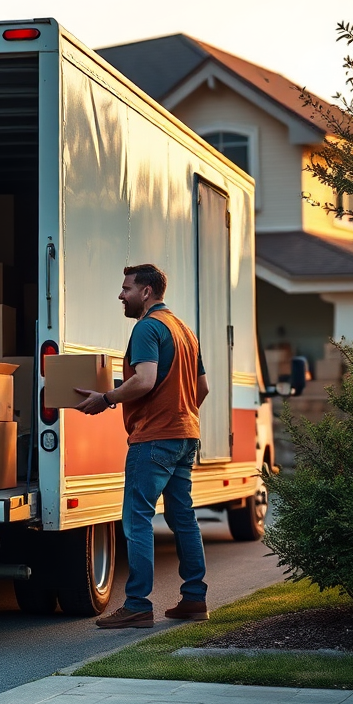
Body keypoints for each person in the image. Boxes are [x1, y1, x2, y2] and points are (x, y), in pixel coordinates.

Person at [75, 263, 210, 628]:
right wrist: (178, 413)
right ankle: (194, 599)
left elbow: (146, 380)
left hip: (153, 438)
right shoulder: (183, 330)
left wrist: (106, 398)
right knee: (184, 518)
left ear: (146, 292)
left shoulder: (147, 327)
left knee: (136, 519)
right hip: (185, 435)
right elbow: (202, 389)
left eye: (126, 288)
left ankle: (137, 604)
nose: (121, 295)